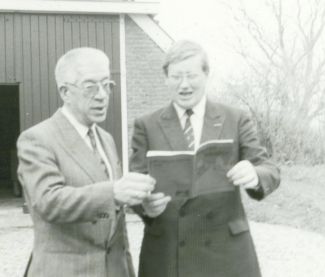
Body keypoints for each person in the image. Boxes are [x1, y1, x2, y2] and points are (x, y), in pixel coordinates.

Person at [130, 40, 280, 277]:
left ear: (206, 74)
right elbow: (136, 181)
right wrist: (144, 205)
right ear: (165, 78)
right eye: (176, 77)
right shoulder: (146, 125)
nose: (184, 85)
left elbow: (269, 169)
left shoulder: (235, 118)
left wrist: (254, 175)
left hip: (226, 254)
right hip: (169, 253)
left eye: (191, 76)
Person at [17, 47, 155, 277]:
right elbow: (48, 202)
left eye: (107, 85)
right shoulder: (37, 139)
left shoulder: (106, 139)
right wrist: (113, 192)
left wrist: (141, 203)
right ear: (65, 92)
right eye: (90, 86)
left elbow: (114, 221)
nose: (102, 95)